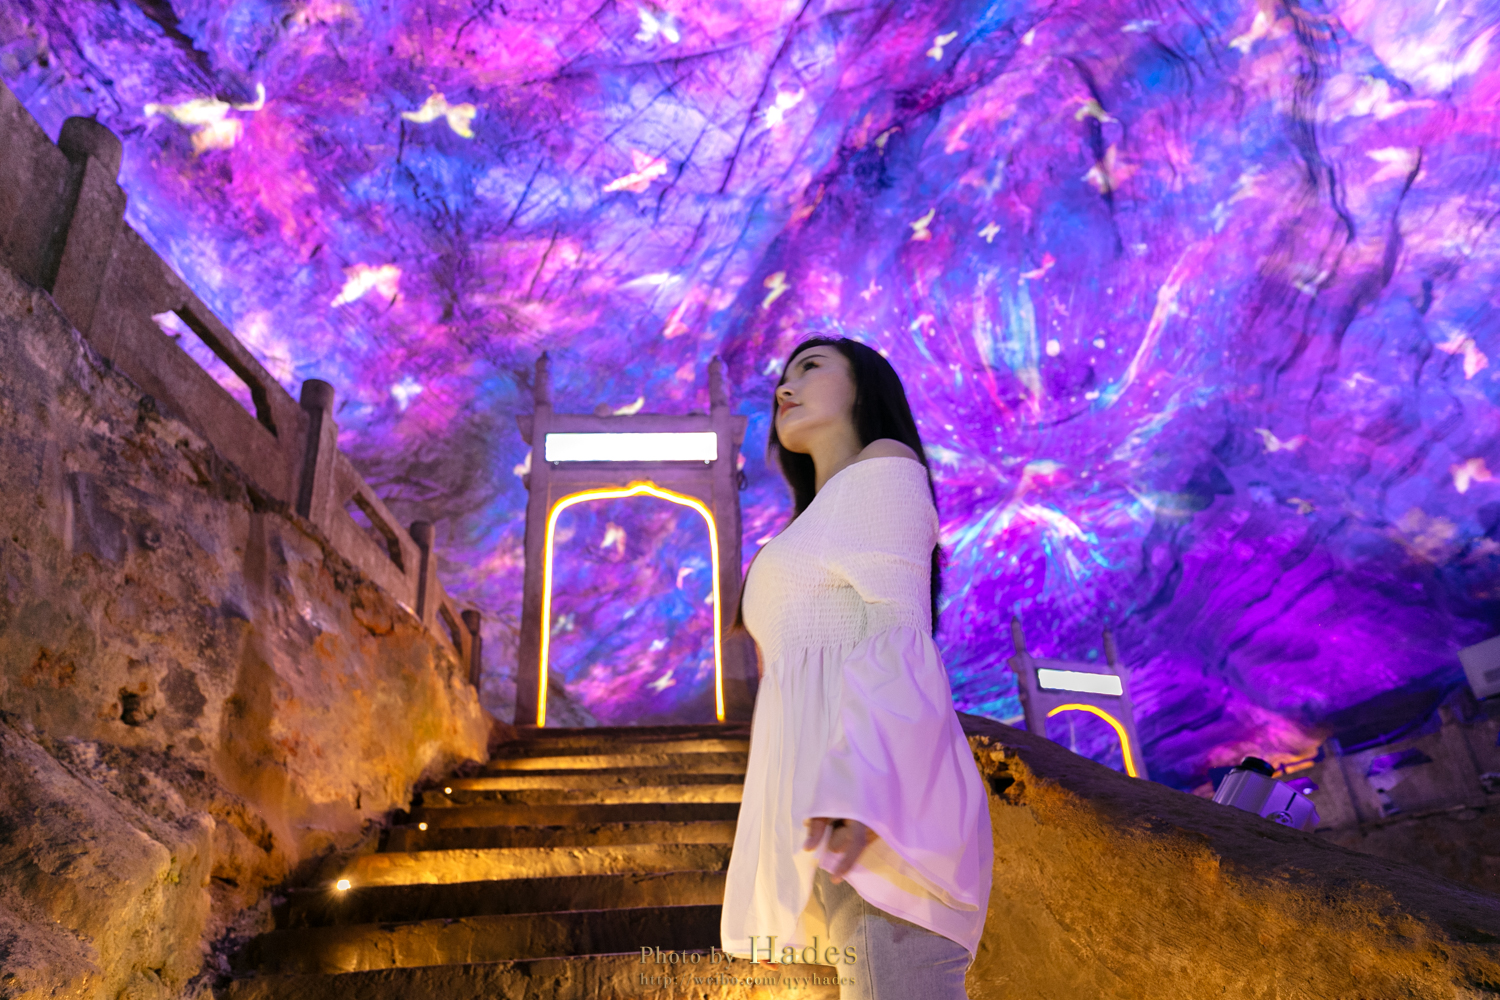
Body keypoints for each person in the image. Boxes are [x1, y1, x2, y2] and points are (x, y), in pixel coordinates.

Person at [721, 337, 993, 1000]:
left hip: (877, 816)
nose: (785, 387)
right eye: (782, 377)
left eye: (811, 367)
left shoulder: (884, 466)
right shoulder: (814, 519)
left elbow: (899, 633)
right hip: (837, 819)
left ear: (864, 387)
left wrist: (861, 788)